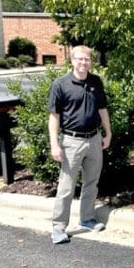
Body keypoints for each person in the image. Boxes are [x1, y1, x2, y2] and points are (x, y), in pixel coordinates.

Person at [48, 45, 112, 244]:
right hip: (71, 142)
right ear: (72, 60)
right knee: (66, 187)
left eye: (87, 59)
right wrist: (54, 144)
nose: (84, 62)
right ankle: (58, 227)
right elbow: (54, 116)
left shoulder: (96, 82)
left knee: (91, 183)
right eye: (80, 59)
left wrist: (108, 133)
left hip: (94, 139)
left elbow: (102, 109)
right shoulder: (60, 84)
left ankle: (87, 219)